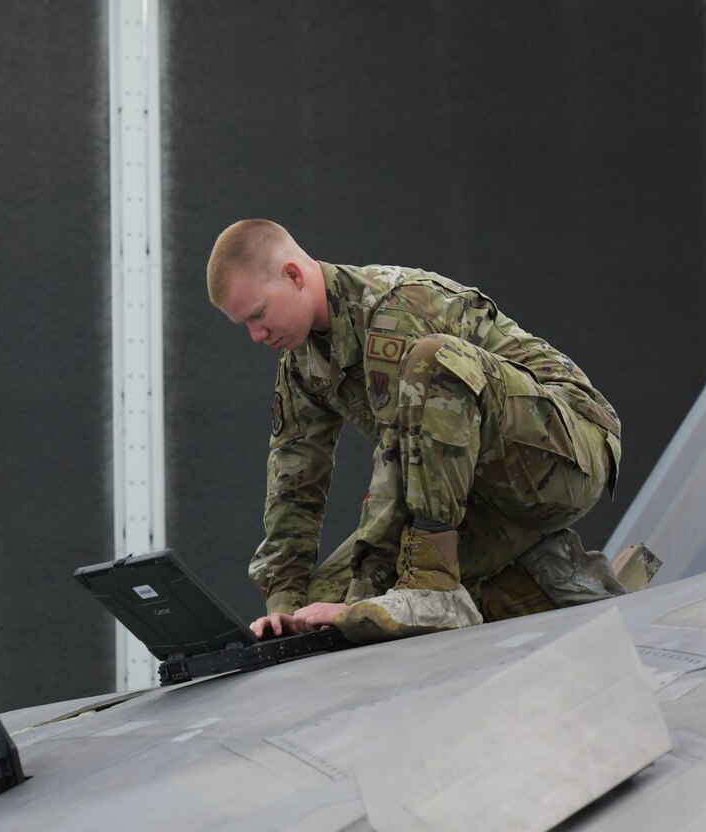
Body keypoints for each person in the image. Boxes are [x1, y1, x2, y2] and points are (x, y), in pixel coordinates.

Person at [208, 219, 627, 643]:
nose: (256, 335)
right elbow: (293, 484)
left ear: (294, 275)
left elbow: (396, 466)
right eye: (244, 324)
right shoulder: (301, 363)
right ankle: (544, 577)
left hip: (570, 452)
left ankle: (434, 587)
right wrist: (285, 605)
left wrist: (364, 596)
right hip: (476, 493)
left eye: (258, 315)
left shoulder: (391, 310)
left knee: (435, 359)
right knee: (315, 618)